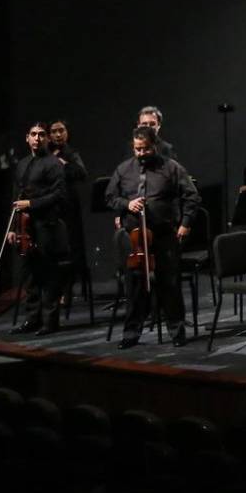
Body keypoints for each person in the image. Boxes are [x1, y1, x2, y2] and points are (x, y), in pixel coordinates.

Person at [107, 125, 204, 347]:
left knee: (169, 283)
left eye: (146, 149)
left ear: (155, 146)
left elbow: (192, 196)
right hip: (135, 237)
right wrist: (127, 204)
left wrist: (186, 223)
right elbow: (110, 197)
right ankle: (131, 334)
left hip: (163, 234)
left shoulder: (171, 168)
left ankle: (177, 331)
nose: (141, 154)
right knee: (135, 286)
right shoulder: (123, 169)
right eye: (137, 149)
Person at [9, 122, 70, 334]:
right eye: (33, 134)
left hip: (48, 225)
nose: (37, 138)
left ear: (47, 139)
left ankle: (50, 322)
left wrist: (31, 204)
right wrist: (13, 228)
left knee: (49, 275)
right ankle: (32, 319)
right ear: (27, 138)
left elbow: (59, 195)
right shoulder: (23, 164)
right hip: (27, 227)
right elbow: (17, 196)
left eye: (41, 134)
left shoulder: (54, 164)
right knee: (30, 274)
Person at [47, 120, 90, 320]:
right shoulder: (45, 153)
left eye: (61, 130)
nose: (58, 135)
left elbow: (81, 173)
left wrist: (64, 164)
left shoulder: (71, 153)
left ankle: (68, 290)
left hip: (68, 207)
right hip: (50, 207)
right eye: (54, 131)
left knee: (72, 247)